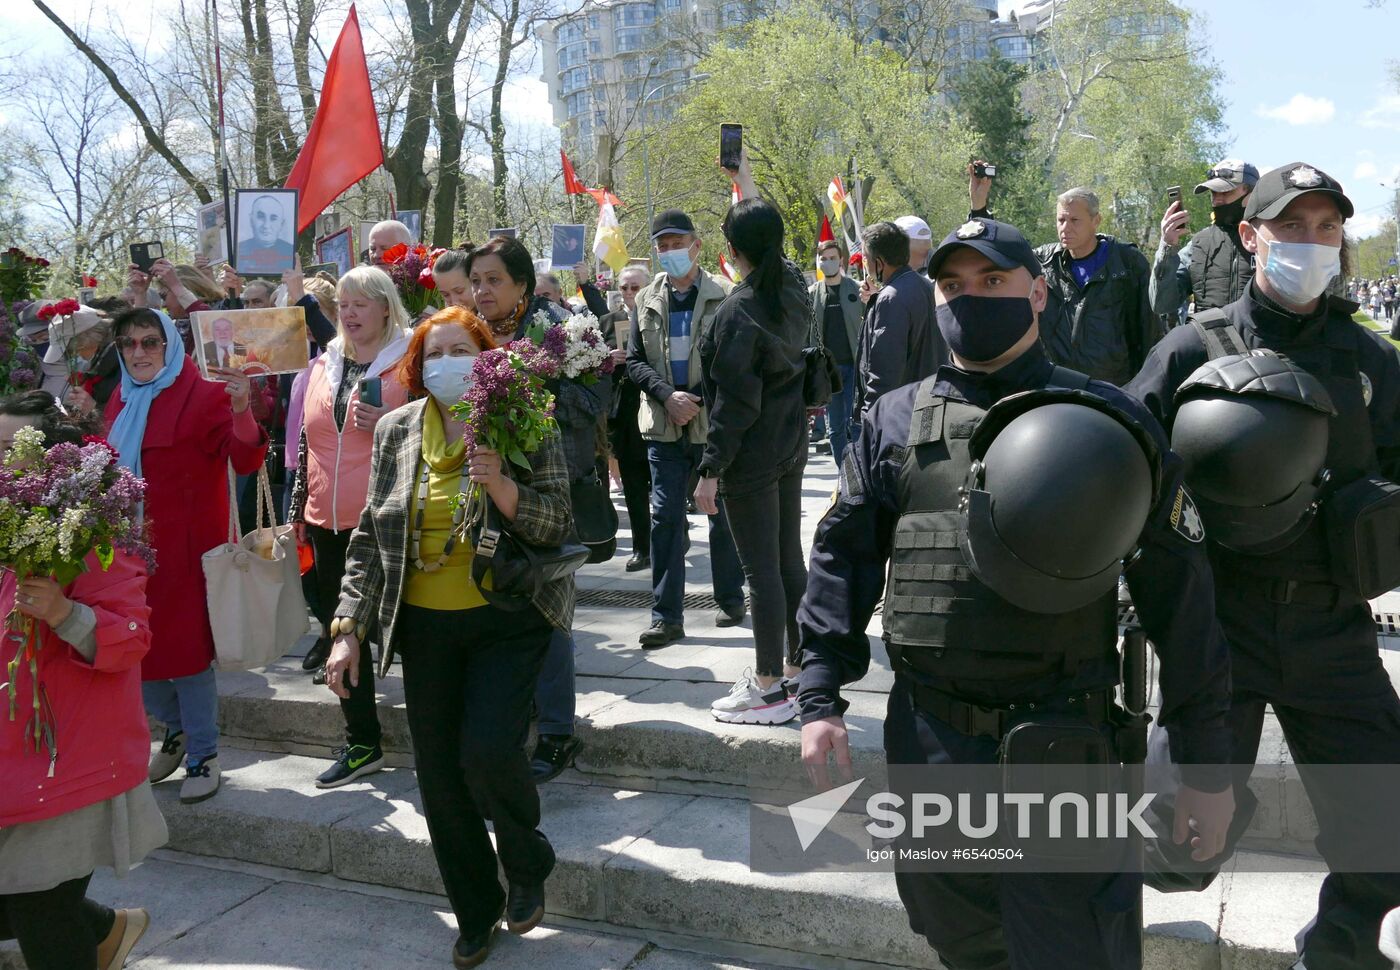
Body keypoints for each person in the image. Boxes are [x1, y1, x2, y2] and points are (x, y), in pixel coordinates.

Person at [798, 215, 1235, 970]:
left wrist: (1203, 768)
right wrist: (818, 694)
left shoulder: (1109, 419)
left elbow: (1182, 599)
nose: (970, 298)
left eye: (992, 281)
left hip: (1063, 742)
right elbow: (843, 560)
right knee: (960, 940)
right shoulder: (895, 422)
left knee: (1075, 951)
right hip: (933, 741)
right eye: (952, 285)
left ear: (1037, 292)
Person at [1125, 162, 1400, 970]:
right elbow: (1121, 463)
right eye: (1290, 227)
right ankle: (1082, 902)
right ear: (1250, 235)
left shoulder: (1367, 359)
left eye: (1326, 227)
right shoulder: (1187, 351)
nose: (1311, 243)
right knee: (1179, 849)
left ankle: (1340, 949)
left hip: (1330, 625)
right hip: (1218, 630)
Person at [328, 307, 570, 968]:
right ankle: (474, 909)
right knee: (439, 779)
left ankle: (526, 857)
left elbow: (557, 520)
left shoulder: (520, 418)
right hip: (426, 629)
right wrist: (348, 628)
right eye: (434, 353)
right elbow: (367, 542)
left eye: (462, 350)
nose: (447, 363)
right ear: (416, 363)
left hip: (506, 620)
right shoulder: (397, 431)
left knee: (488, 749)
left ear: (488, 356)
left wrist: (503, 485)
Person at [0, 392, 165, 970]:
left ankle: (99, 935)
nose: (1, 464)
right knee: (22, 901)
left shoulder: (94, 535)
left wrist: (65, 615)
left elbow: (132, 638)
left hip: (64, 759)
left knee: (39, 908)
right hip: (9, 757)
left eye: (9, 450)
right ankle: (109, 931)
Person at [106, 307, 269, 805]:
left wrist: (242, 409)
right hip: (127, 554)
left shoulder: (204, 393)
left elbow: (245, 459)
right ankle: (175, 733)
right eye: (129, 343)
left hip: (186, 557)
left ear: (169, 345)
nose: (138, 353)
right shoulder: (119, 397)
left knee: (189, 656)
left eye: (149, 342)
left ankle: (203, 752)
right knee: (135, 651)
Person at [463, 236, 609, 782]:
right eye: (477, 281)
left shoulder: (559, 330)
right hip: (480, 490)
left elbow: (596, 401)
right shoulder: (466, 333)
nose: (482, 291)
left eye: (494, 280)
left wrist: (532, 385)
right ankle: (514, 719)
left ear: (522, 284)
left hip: (550, 489)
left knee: (548, 610)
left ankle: (556, 733)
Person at [289, 266, 411, 787]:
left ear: (386, 306)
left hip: (388, 522)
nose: (351, 313)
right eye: (343, 304)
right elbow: (305, 445)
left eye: (362, 302)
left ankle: (443, 737)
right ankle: (362, 741)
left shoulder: (410, 361)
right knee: (341, 632)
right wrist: (299, 510)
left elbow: (437, 431)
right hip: (325, 520)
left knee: (405, 635)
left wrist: (389, 421)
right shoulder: (322, 365)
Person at [694, 195, 808, 725]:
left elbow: (735, 402)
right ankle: (797, 668)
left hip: (751, 455)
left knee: (762, 572)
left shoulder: (741, 309)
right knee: (787, 564)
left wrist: (711, 468)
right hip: (788, 443)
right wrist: (742, 184)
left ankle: (768, 688)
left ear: (732, 248)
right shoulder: (790, 286)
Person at [626, 208, 746, 649]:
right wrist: (667, 396)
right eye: (663, 245)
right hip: (663, 424)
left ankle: (731, 599)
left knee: (720, 513)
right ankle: (666, 617)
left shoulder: (724, 295)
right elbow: (634, 360)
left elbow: (732, 360)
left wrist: (693, 397)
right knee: (665, 519)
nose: (671, 251)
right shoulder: (646, 299)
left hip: (709, 424)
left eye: (678, 243)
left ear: (696, 245)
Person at [969, 170, 1158, 385]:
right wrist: (979, 208)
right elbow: (997, 259)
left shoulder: (1127, 263)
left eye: (1074, 220)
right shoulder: (1043, 262)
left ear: (1096, 220)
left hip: (1114, 388)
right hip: (1056, 386)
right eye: (1061, 220)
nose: (1065, 228)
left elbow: (1149, 330)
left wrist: (1145, 388)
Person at [852, 221, 944, 421]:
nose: (864, 264)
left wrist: (871, 421)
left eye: (866, 258)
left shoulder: (890, 298)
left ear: (880, 262)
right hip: (929, 406)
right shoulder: (926, 287)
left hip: (900, 417)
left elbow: (884, 371)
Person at [1152, 160, 1261, 321]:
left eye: (1225, 192)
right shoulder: (1198, 244)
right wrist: (1167, 248)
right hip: (1210, 343)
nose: (1217, 199)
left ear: (1251, 193)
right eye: (1214, 193)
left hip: (1261, 344)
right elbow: (1161, 304)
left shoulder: (1270, 240)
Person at [607, 265, 654, 572]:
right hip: (625, 414)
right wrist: (607, 359)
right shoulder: (607, 321)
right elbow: (591, 367)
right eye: (624, 287)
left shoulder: (656, 316)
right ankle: (642, 548)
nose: (628, 293)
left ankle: (678, 534)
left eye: (634, 287)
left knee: (666, 485)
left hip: (657, 407)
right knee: (634, 485)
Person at [808, 240, 862, 465]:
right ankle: (845, 476)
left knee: (856, 424)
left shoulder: (857, 289)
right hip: (828, 372)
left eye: (832, 258)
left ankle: (860, 471)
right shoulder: (811, 293)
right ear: (818, 262)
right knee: (835, 428)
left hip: (855, 366)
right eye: (823, 258)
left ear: (841, 260)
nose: (828, 262)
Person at [237, 194, 295, 274]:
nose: (266, 225)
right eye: (261, 216)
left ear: (281, 223)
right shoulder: (238, 251)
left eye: (273, 218)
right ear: (251, 219)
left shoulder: (290, 252)